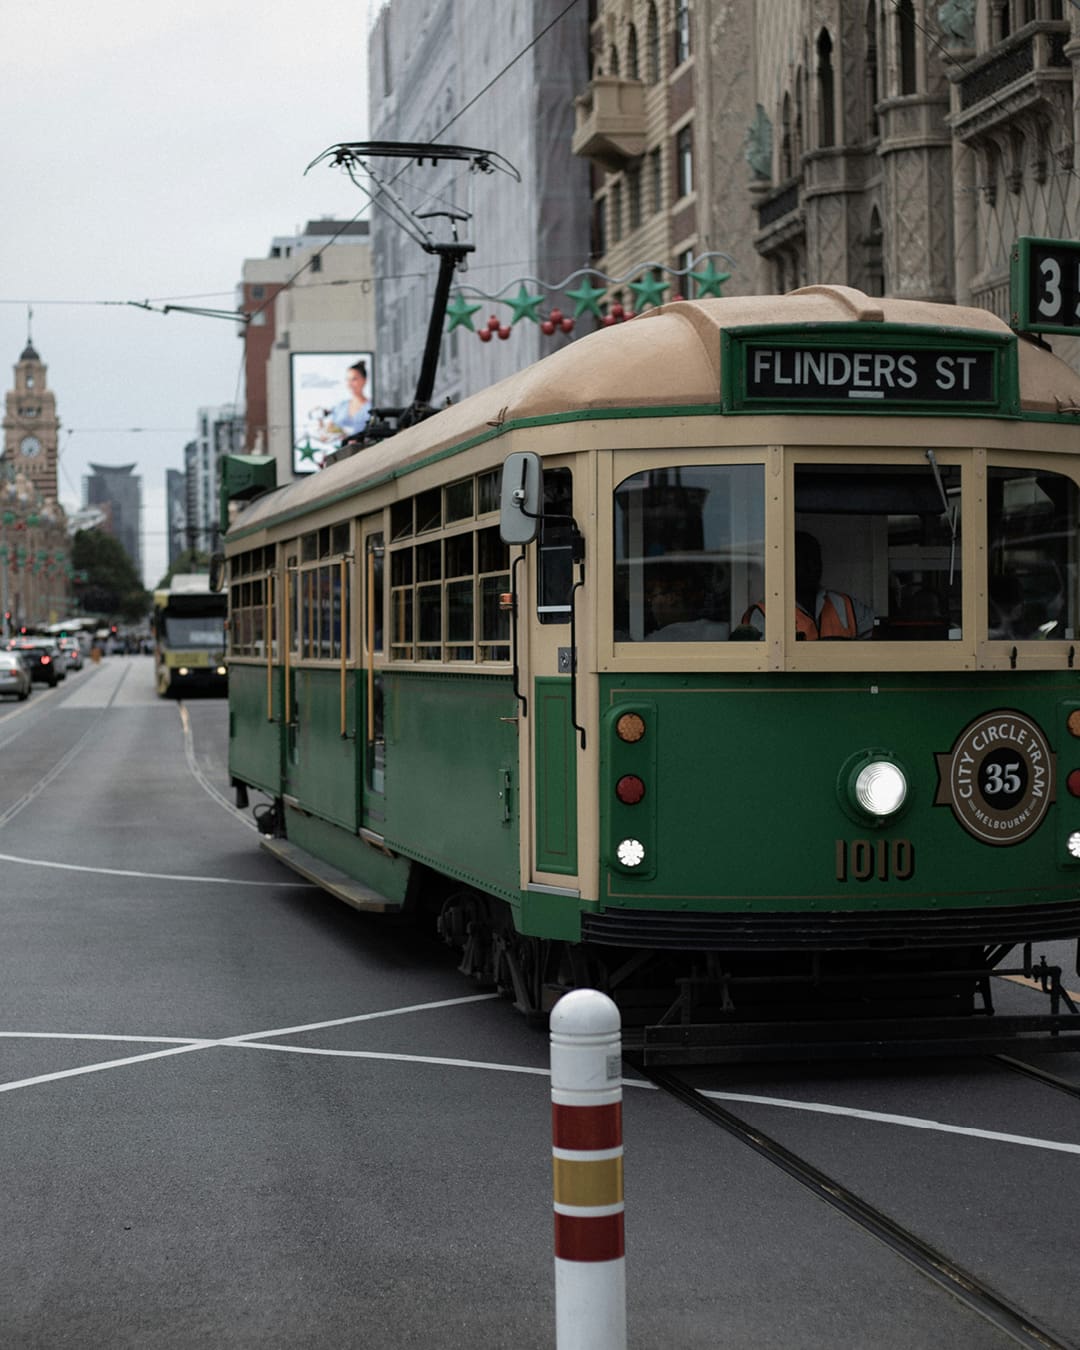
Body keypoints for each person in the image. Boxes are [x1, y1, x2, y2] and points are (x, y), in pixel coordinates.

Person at [742, 530, 873, 639]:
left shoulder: (844, 604)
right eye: (805, 561)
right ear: (787, 565)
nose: (814, 567)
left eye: (817, 560)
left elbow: (880, 639)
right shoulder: (764, 613)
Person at [644, 569, 730, 641]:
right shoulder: (721, 630)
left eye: (652, 597)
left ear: (671, 598)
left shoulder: (655, 641)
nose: (650, 602)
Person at [324, 361, 371, 444]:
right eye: (348, 380)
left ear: (364, 380)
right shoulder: (341, 406)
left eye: (354, 379)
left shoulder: (371, 407)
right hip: (340, 452)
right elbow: (328, 432)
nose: (350, 384)